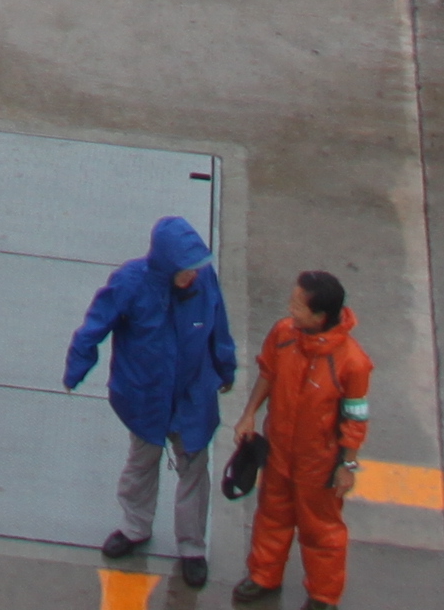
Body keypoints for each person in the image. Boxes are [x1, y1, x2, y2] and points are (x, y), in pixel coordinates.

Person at [72, 213, 238, 581]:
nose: (192, 276)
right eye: (185, 270)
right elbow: (96, 324)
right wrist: (78, 362)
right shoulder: (132, 283)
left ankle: (192, 547)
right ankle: (135, 527)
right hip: (145, 393)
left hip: (193, 393)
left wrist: (225, 367)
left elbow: (218, 325)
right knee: (141, 461)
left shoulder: (204, 280)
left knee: (194, 466)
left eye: (196, 268)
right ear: (165, 265)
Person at [230, 270, 372, 610]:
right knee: (271, 515)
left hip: (319, 464)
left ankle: (324, 596)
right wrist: (249, 414)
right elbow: (268, 372)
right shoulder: (283, 334)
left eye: (297, 306)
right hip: (279, 451)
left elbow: (355, 419)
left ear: (319, 316)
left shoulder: (353, 364)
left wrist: (347, 465)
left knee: (321, 531)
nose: (290, 310)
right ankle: (264, 576)